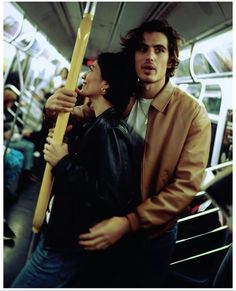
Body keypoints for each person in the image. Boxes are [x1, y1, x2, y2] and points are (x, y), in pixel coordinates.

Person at [41, 19, 211, 287]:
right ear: (133, 56)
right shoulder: (124, 97)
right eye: (142, 49)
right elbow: (77, 116)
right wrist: (52, 109)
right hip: (106, 222)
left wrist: (129, 222)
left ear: (170, 60)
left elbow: (184, 187)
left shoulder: (191, 114)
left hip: (152, 235)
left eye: (159, 50)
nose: (150, 57)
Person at [11, 52, 142, 288]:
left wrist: (64, 162)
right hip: (61, 235)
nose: (84, 74)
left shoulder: (109, 130)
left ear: (105, 85)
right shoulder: (97, 123)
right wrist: (65, 147)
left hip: (65, 245)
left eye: (92, 70)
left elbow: (109, 195)